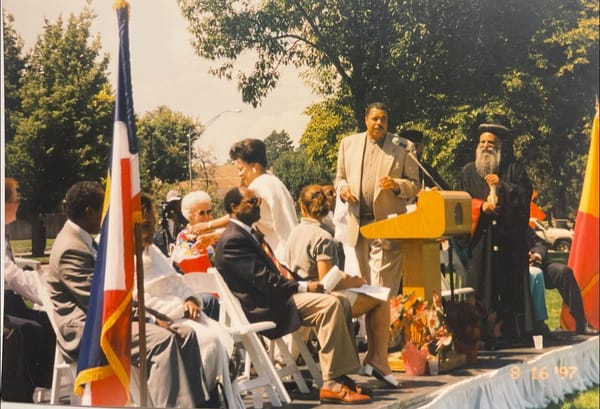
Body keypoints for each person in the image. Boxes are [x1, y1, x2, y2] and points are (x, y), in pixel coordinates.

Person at [47, 181, 208, 407]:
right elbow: (100, 303)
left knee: (186, 334)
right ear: (89, 212)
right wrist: (150, 319)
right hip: (92, 329)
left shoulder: (83, 240)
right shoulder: (70, 248)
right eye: (104, 211)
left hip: (110, 320)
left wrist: (152, 315)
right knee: (162, 341)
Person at [213, 187, 371, 405]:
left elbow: (279, 271)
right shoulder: (233, 240)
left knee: (341, 301)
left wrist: (307, 284)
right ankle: (331, 383)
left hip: (278, 296)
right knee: (330, 305)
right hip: (267, 306)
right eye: (251, 202)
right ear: (234, 207)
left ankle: (341, 375)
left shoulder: (248, 232)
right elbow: (265, 281)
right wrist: (304, 287)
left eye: (258, 200)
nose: (258, 205)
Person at [284, 184, 399, 388]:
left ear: (302, 206)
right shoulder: (322, 237)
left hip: (298, 294)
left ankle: (373, 357)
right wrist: (354, 281)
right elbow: (327, 280)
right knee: (381, 298)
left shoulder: (294, 233)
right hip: (321, 299)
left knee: (372, 296)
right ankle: (378, 358)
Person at [139, 196, 240, 407]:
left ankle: (213, 397)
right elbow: (139, 300)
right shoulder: (120, 255)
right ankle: (202, 400)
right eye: (145, 224)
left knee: (217, 339)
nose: (151, 227)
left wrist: (189, 299)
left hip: (183, 310)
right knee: (207, 342)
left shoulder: (152, 249)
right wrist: (177, 309)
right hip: (163, 317)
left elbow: (177, 282)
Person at [456, 123, 534, 345]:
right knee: (482, 288)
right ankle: (481, 336)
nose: (486, 147)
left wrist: (502, 187)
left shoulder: (513, 169)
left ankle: (511, 335)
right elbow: (460, 202)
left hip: (508, 240)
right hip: (481, 240)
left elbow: (524, 196)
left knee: (509, 287)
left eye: (491, 143)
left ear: (500, 146)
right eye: (482, 143)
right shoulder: (468, 172)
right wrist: (480, 207)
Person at [335, 102, 419, 295]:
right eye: (375, 118)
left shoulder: (403, 147)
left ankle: (385, 325)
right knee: (366, 287)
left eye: (384, 119)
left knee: (381, 288)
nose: (379, 123)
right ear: (366, 120)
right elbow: (339, 179)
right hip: (359, 225)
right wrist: (343, 190)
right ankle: (371, 326)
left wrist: (397, 185)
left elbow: (415, 186)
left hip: (386, 227)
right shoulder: (348, 144)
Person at [3, 177, 55, 402]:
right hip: (6, 300)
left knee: (48, 322)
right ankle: (21, 395)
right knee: (33, 329)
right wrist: (43, 295)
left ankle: (41, 385)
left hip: (9, 298)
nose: (19, 204)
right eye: (16, 199)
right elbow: (10, 274)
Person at [229, 138, 297, 261]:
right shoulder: (270, 179)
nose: (239, 174)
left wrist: (208, 226)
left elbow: (238, 215)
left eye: (241, 169)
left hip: (280, 250)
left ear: (254, 166)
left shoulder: (258, 186)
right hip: (287, 245)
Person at [527, 226, 598, 335]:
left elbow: (540, 243)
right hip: (519, 269)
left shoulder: (521, 225)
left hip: (537, 263)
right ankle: (539, 324)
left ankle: (581, 322)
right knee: (536, 274)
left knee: (563, 272)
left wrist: (537, 254)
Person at [153, 189, 186, 257]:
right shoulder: (167, 218)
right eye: (172, 203)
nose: (174, 206)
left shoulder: (183, 215)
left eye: (176, 202)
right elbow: (164, 233)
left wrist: (177, 222)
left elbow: (186, 229)